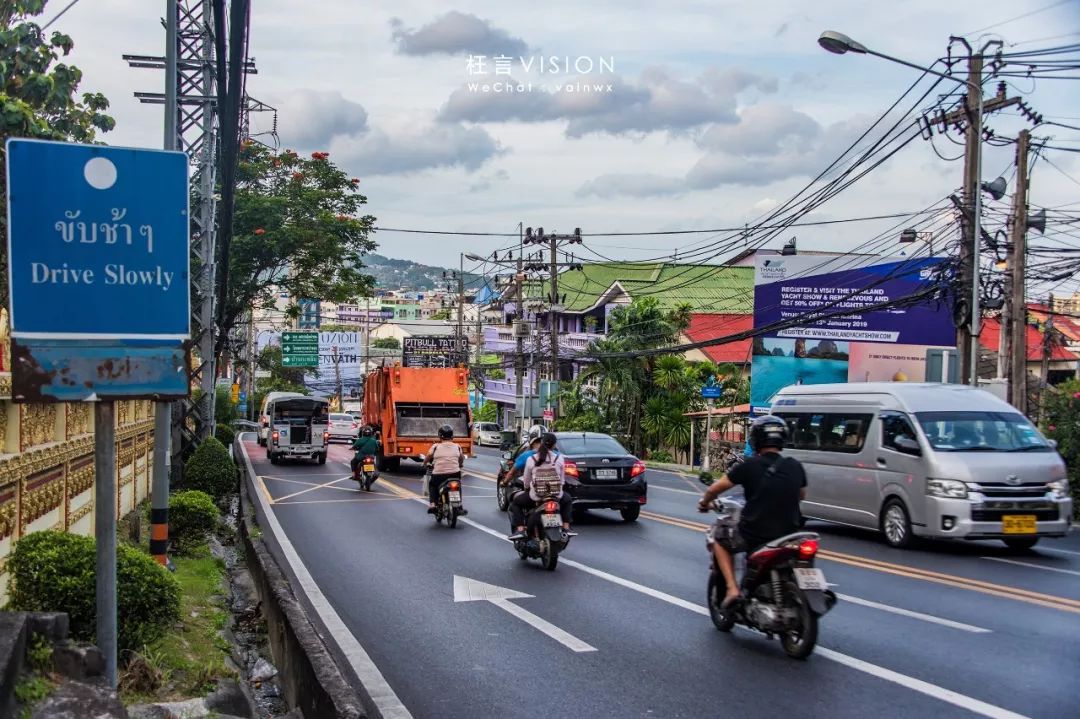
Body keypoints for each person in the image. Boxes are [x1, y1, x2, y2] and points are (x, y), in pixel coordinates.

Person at [697, 415, 806, 608]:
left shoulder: (749, 466)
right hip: (791, 533)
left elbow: (715, 489)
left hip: (756, 534)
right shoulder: (794, 466)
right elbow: (801, 495)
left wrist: (705, 502)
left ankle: (732, 588)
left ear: (755, 439)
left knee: (718, 537)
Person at [508, 433, 574, 540]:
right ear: (554, 445)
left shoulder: (531, 459)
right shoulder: (559, 458)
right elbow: (562, 480)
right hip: (556, 495)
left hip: (537, 496)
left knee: (515, 504)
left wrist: (527, 488)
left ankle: (520, 530)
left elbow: (526, 480)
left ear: (541, 443)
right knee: (567, 500)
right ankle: (566, 527)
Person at [425, 424, 465, 515]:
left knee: (432, 484)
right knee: (458, 485)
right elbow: (461, 458)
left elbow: (428, 456)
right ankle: (460, 505)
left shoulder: (435, 446)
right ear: (452, 435)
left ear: (440, 435)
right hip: (455, 474)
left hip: (439, 475)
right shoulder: (457, 446)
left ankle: (433, 504)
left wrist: (424, 463)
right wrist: (460, 465)